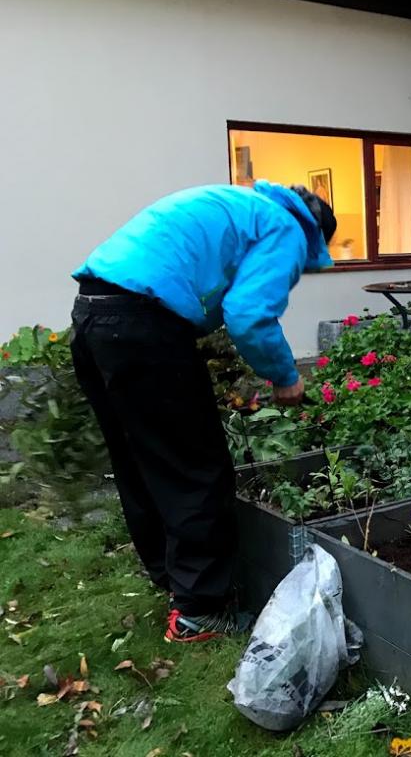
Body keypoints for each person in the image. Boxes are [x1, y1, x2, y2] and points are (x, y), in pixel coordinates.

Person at [71, 181, 336, 642]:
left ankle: (172, 580)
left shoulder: (239, 205)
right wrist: (285, 377)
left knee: (140, 459)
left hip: (93, 317)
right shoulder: (286, 228)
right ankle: (199, 611)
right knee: (197, 467)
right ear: (315, 234)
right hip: (142, 326)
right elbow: (249, 312)